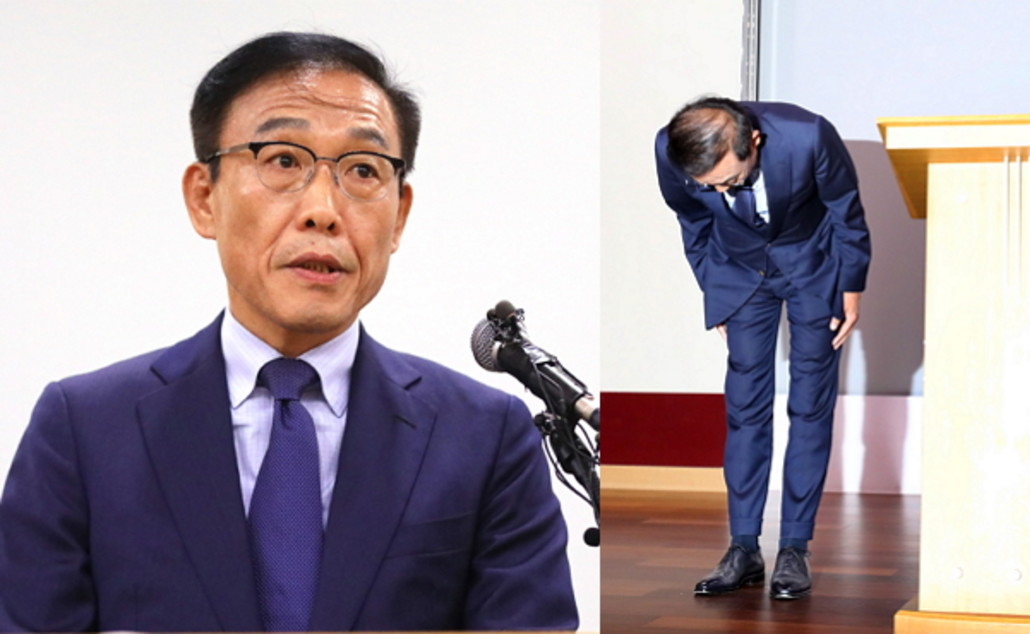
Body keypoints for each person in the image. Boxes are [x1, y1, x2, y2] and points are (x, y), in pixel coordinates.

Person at [0, 32, 577, 632]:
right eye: (283, 161)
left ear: (399, 215)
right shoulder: (83, 429)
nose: (323, 210)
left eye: (362, 169)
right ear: (204, 198)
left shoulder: (485, 437)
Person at [654, 97, 871, 599]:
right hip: (738, 273)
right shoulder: (669, 148)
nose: (722, 192)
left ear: (753, 141)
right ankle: (744, 547)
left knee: (810, 405)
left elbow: (846, 211)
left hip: (813, 267)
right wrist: (715, 290)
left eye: (731, 180)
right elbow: (692, 221)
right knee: (744, 407)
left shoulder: (808, 136)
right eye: (711, 186)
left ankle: (794, 546)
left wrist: (851, 285)